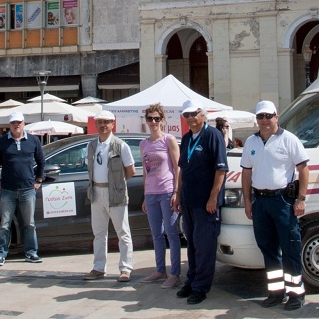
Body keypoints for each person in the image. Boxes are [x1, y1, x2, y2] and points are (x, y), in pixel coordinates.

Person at [241, 101, 310, 310]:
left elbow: (303, 168)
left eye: (268, 116)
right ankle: (276, 292)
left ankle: (296, 294)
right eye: (260, 116)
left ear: (276, 117)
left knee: (290, 248)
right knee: (268, 249)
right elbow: (246, 173)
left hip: (283, 201)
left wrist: (301, 199)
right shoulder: (251, 142)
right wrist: (247, 201)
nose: (264, 120)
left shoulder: (289, 139)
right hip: (260, 202)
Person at [174, 100, 228, 305]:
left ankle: (201, 287)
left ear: (202, 114)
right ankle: (191, 280)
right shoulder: (187, 137)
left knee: (205, 247)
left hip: (206, 203)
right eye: (186, 115)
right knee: (192, 245)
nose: (190, 118)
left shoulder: (213, 135)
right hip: (188, 200)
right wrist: (179, 195)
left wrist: (213, 197)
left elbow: (221, 170)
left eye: (193, 114)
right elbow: (182, 169)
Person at [82, 110, 135, 282]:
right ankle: (98, 268)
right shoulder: (91, 145)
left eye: (106, 122)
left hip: (115, 193)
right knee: (98, 233)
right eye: (100, 122)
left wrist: (117, 184)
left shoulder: (120, 145)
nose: (103, 125)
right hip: (96, 192)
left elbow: (130, 170)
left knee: (123, 232)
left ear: (113, 124)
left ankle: (125, 268)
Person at [0, 111, 45, 266]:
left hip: (28, 189)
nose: (16, 125)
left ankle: (31, 252)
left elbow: (41, 161)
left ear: (24, 123)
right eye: (14, 122)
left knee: (29, 223)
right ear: (9, 125)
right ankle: (0, 254)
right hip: (8, 189)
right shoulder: (2, 141)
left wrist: (39, 180)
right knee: (4, 224)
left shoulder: (33, 140)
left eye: (19, 122)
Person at [139, 103, 182, 288]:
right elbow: (145, 171)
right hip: (151, 193)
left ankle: (175, 273)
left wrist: (176, 192)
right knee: (156, 234)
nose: (154, 122)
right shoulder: (144, 144)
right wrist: (145, 194)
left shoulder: (169, 140)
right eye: (150, 118)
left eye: (157, 118)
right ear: (146, 120)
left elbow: (178, 167)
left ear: (162, 120)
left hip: (167, 191)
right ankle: (160, 270)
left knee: (171, 233)